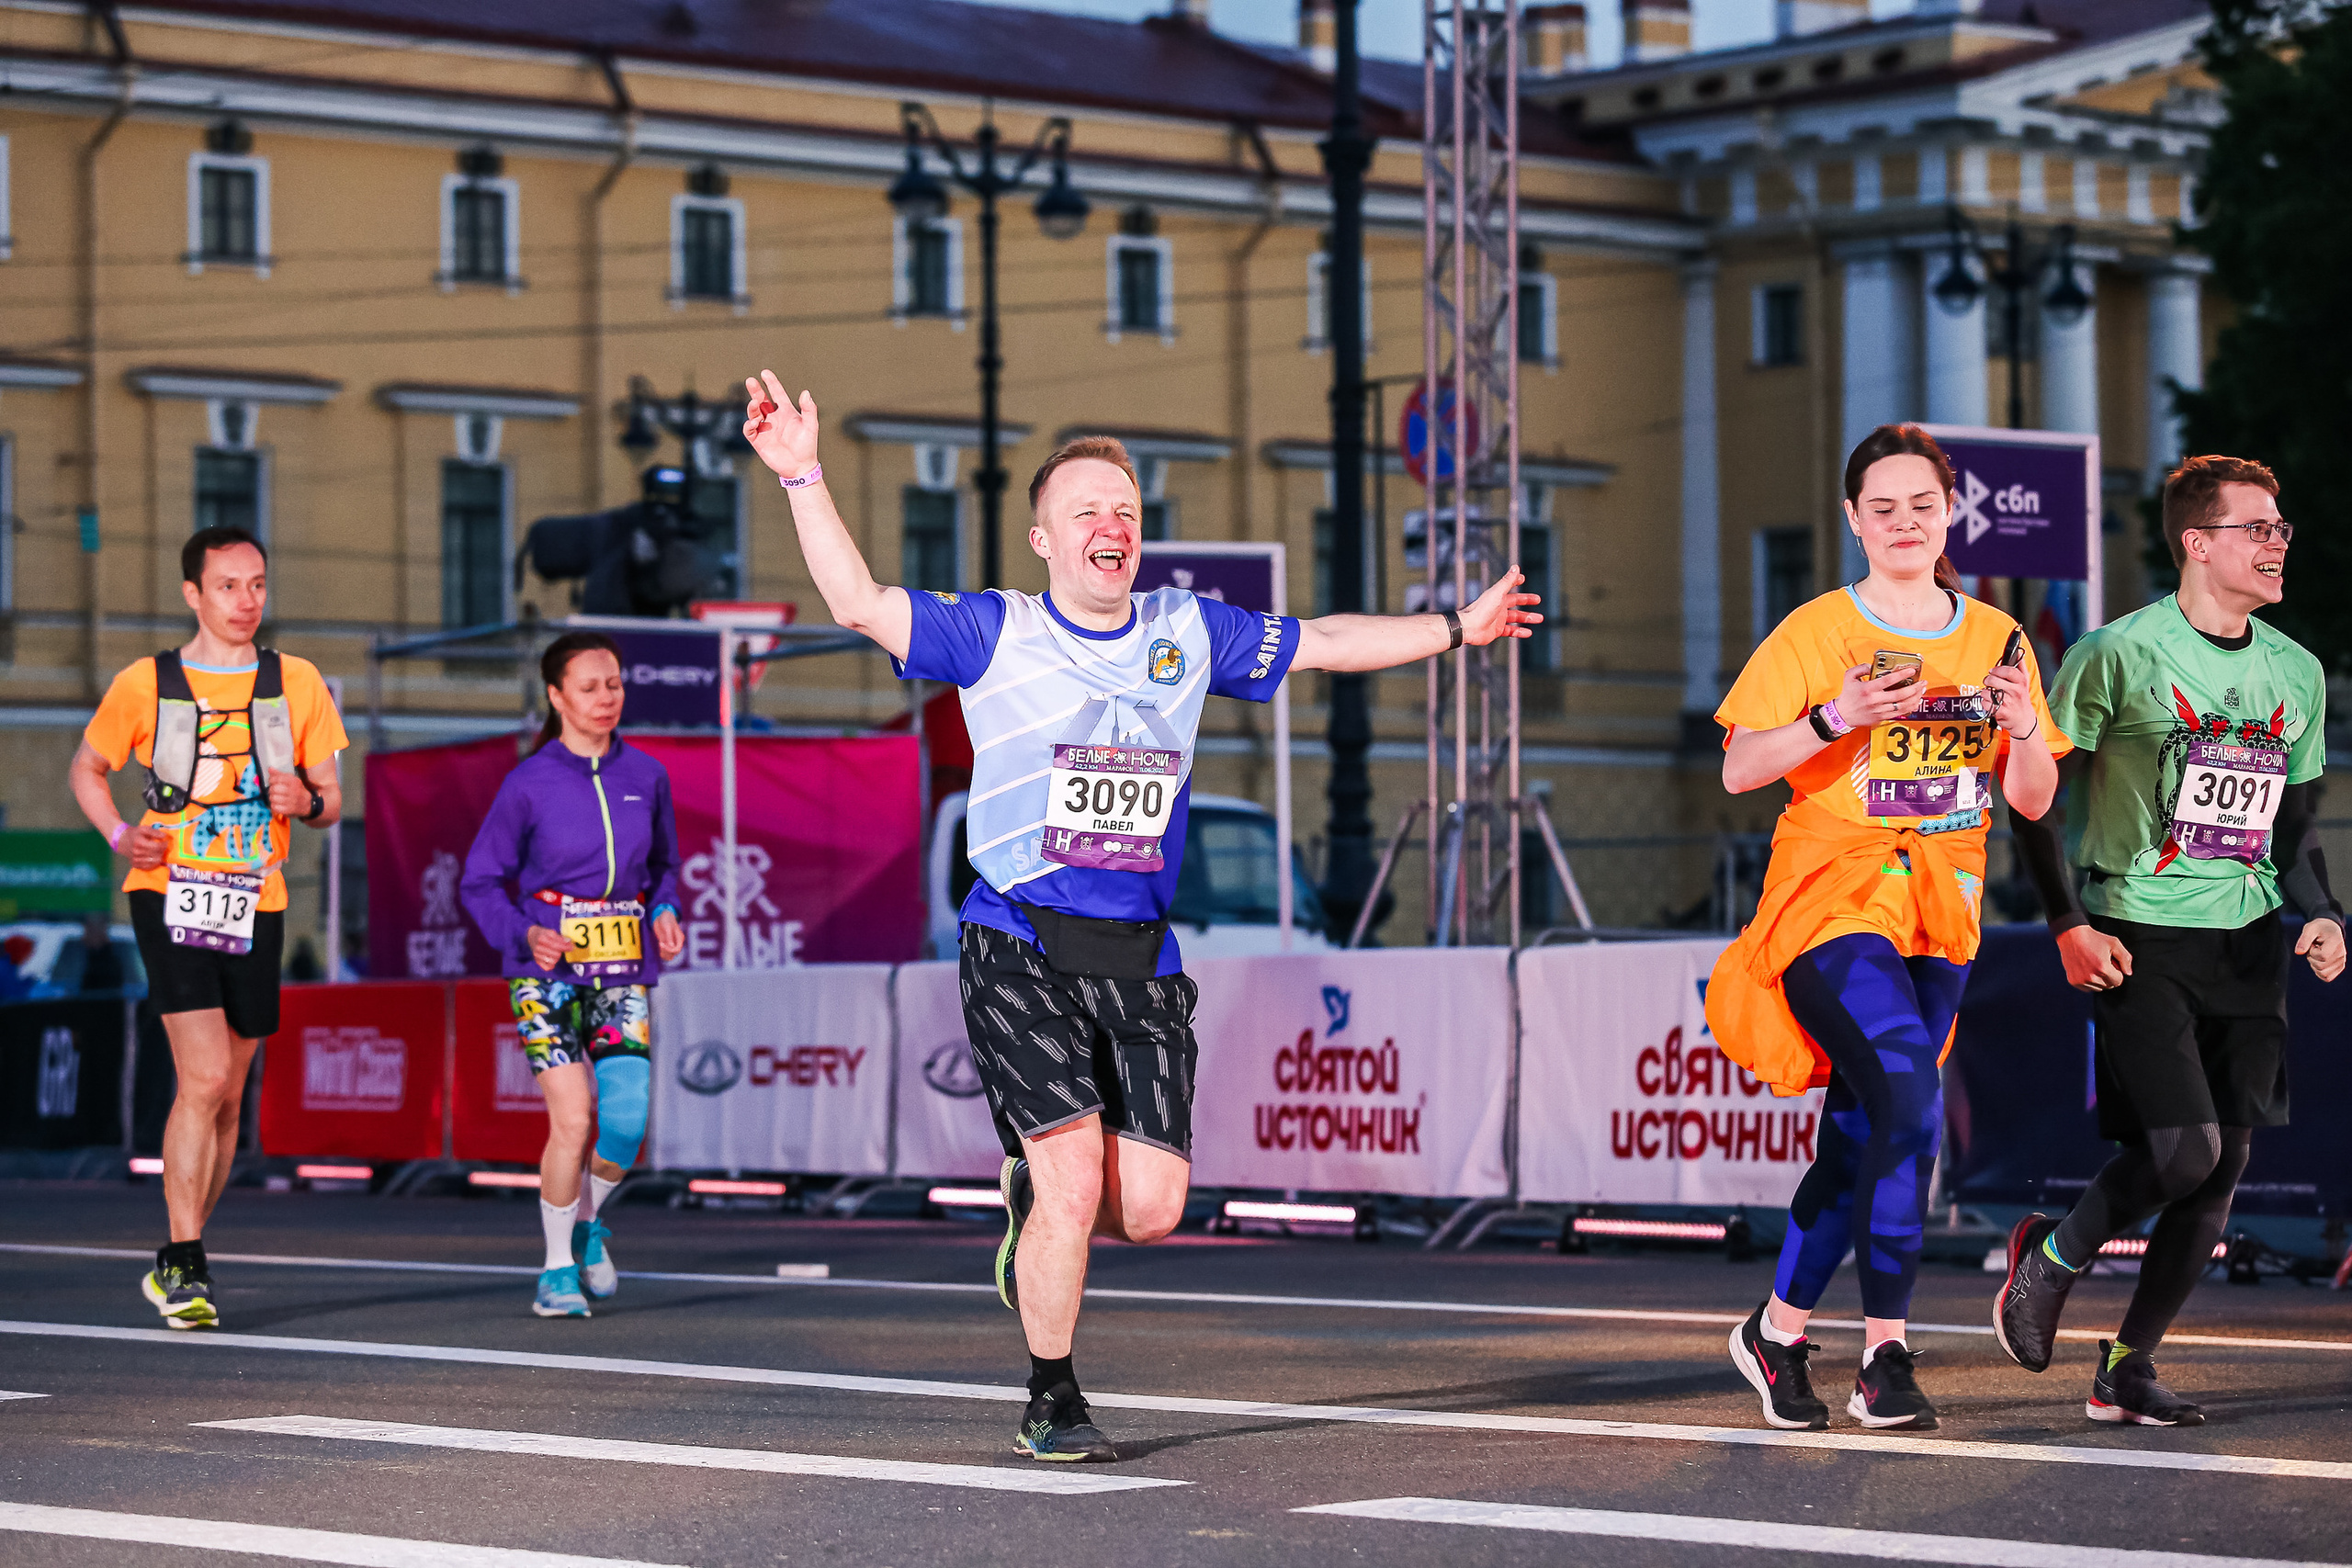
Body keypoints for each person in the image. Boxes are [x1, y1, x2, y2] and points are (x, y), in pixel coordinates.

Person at [741, 369, 1538, 1462]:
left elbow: (1327, 643)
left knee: (1153, 1207)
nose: (1110, 528)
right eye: (1086, 513)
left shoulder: (1185, 628)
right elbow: (859, 604)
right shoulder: (994, 632)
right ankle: (1052, 1392)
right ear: (1043, 540)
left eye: (1124, 512)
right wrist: (803, 475)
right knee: (1074, 1180)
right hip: (1016, 939)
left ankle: (1031, 1206)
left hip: (1139, 956)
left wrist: (1456, 627)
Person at [1709, 424, 2065, 1433]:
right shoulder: (1817, 630)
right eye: (1882, 508)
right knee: (1909, 1098)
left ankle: (1777, 1334)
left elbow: (2033, 800)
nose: (1903, 523)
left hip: (1937, 917)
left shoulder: (1995, 635)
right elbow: (1739, 768)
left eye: (1921, 505)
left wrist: (2025, 727)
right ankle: (1885, 1353)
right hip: (1831, 901)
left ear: (1948, 512)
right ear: (1853, 519)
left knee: (1871, 1130)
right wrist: (1837, 717)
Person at [1997, 455, 2340, 1425]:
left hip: (2245, 941)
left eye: (2281, 529)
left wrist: (2315, 912)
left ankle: (2126, 1365)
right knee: (2183, 1150)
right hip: (2136, 933)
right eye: (2256, 528)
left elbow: (2292, 824)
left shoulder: (2295, 670)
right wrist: (2064, 920)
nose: (2278, 543)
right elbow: (2033, 793)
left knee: (2222, 1168)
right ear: (2197, 542)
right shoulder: (2116, 653)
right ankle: (2050, 1257)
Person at [67, 525, 348, 1329]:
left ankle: (178, 1255)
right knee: (205, 1078)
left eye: (256, 583)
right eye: (227, 586)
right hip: (170, 890)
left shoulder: (295, 681)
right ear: (193, 593)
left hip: (256, 898)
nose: (246, 600)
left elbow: (332, 797)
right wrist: (123, 835)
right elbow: (87, 768)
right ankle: (186, 1262)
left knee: (230, 1095)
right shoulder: (145, 682)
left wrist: (309, 804)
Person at [461, 631, 684, 1319]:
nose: (606, 697)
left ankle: (589, 1224)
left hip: (622, 966)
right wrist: (525, 933)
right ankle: (556, 1267)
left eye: (614, 683)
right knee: (574, 1114)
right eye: (589, 687)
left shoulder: (645, 775)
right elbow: (479, 882)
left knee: (626, 1120)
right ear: (556, 695)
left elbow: (665, 867)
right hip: (545, 973)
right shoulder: (526, 784)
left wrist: (667, 908)